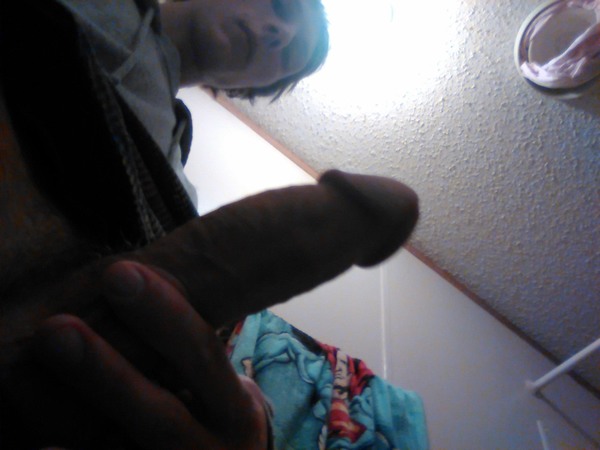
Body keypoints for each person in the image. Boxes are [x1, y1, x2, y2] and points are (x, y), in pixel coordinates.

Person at [0, 0, 428, 448]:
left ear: (252, 87)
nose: (280, 34)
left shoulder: (179, 184)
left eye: (288, 55)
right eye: (281, 6)